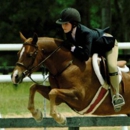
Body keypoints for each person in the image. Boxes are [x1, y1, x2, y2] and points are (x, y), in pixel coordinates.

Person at [56, 7, 125, 112]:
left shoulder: (85, 33)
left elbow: (84, 55)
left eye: (65, 24)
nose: (63, 26)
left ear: (73, 23)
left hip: (108, 45)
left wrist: (72, 48)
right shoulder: (69, 32)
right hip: (95, 48)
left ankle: (116, 95)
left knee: (111, 66)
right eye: (62, 24)